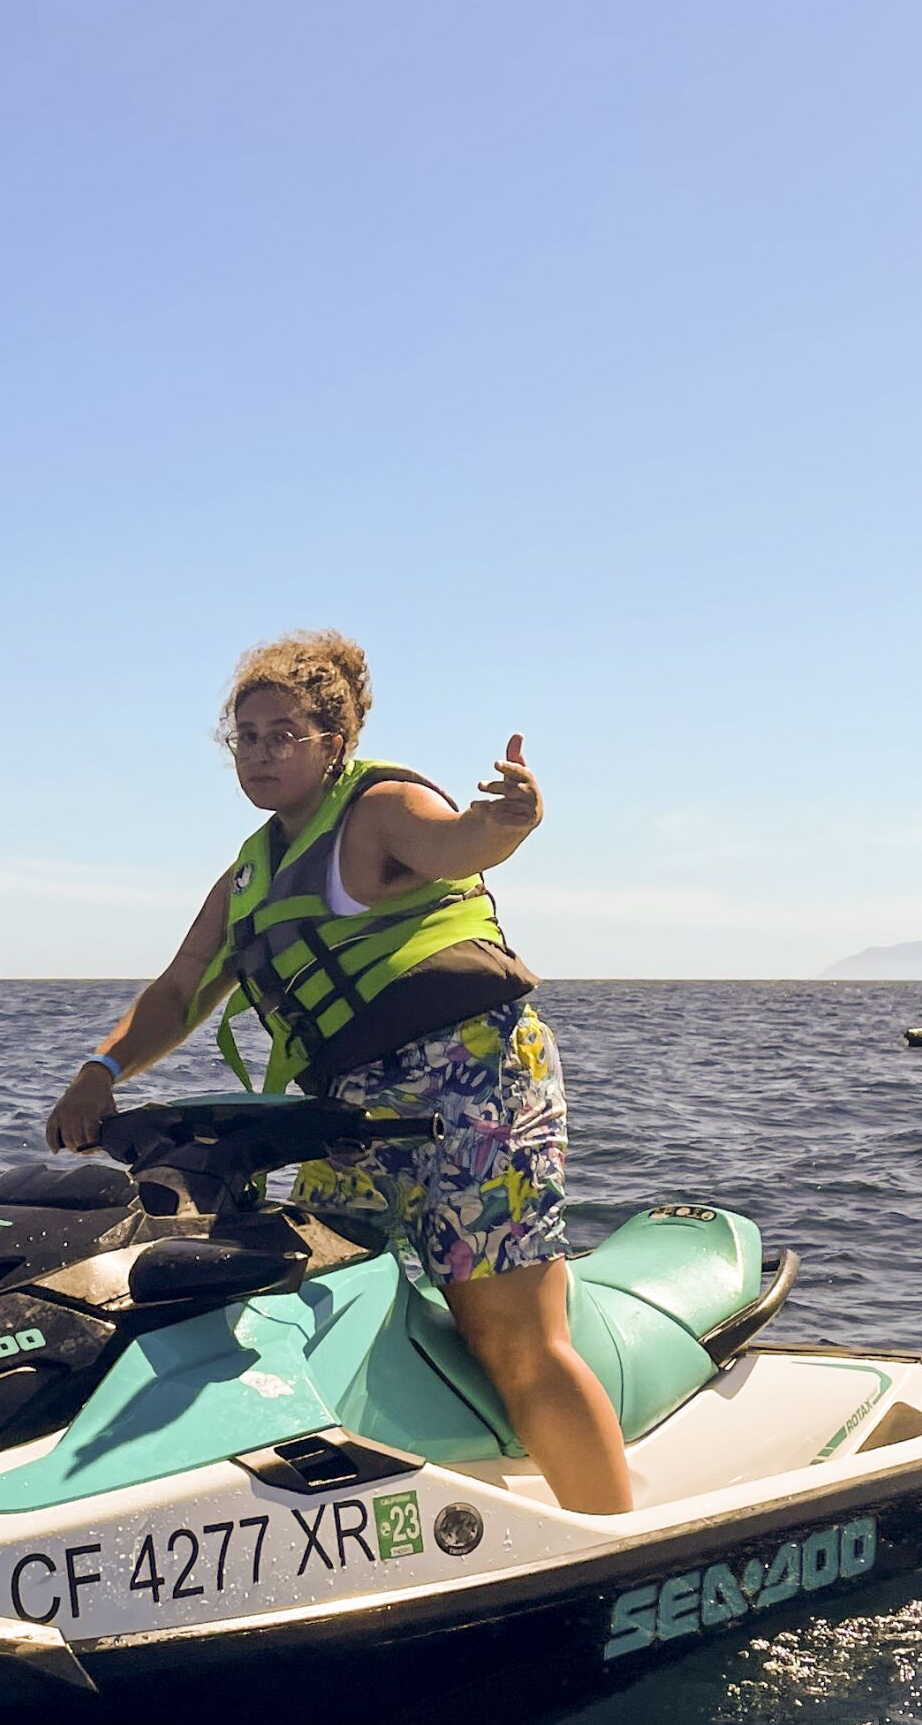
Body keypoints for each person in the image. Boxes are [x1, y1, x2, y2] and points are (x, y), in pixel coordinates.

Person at [44, 630, 632, 1515]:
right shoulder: (248, 874)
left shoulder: (380, 809)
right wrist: (101, 1067)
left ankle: (610, 1538)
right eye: (247, 736)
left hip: (477, 1085)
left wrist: (506, 821)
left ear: (335, 742)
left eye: (285, 733)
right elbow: (177, 992)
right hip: (352, 1110)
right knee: (310, 1293)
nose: (263, 751)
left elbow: (456, 842)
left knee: (510, 1335)